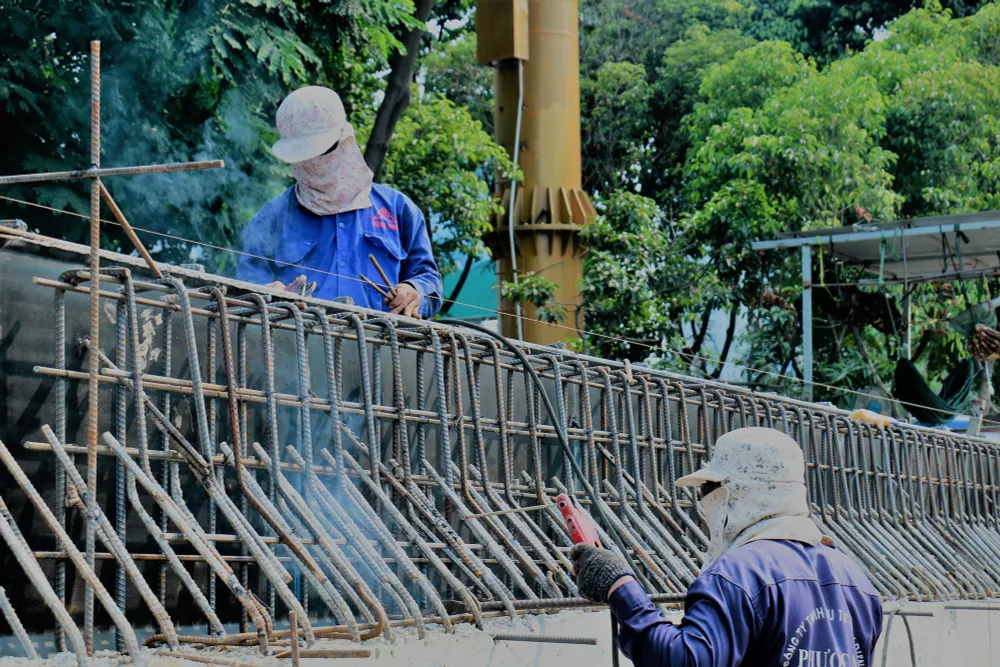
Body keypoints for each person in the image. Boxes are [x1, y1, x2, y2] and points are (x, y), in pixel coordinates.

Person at [570, 427, 883, 667]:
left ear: (738, 491)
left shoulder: (741, 574)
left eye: (709, 488)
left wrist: (620, 587)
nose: (705, 500)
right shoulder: (855, 579)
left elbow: (685, 660)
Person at [237, 86, 442, 319]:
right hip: (294, 349)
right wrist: (263, 295)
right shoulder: (271, 219)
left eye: (321, 152)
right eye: (304, 157)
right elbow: (244, 292)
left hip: (385, 349)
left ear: (344, 140)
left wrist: (416, 291)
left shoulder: (397, 209)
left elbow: (428, 278)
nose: (314, 164)